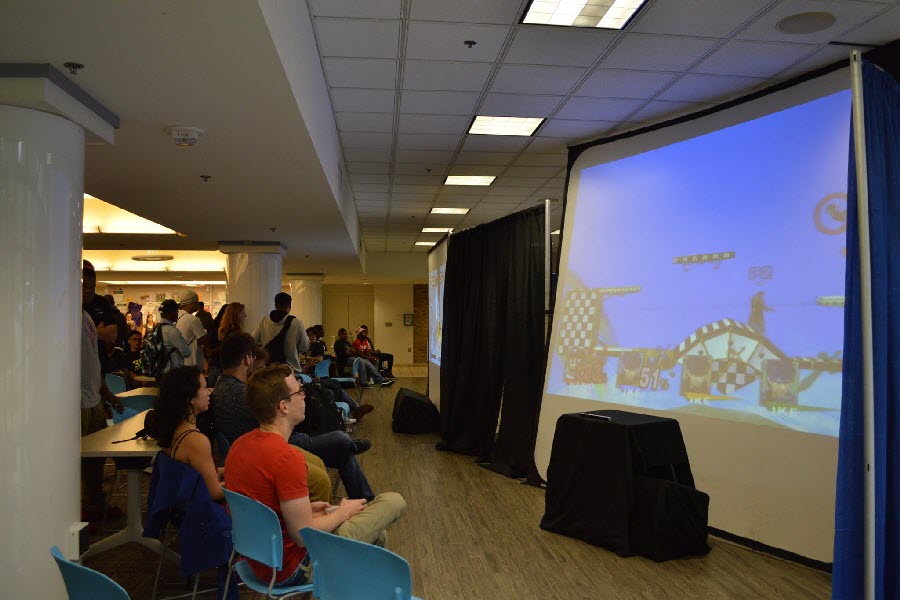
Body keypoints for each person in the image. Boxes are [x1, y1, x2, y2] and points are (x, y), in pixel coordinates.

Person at [225, 364, 406, 587]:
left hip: (259, 560)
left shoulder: (239, 446)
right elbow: (302, 535)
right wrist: (343, 512)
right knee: (394, 502)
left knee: (377, 534)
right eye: (298, 391)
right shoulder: (286, 458)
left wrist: (309, 510)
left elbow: (263, 507)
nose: (304, 395)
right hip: (294, 567)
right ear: (283, 406)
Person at [215, 334, 376, 501]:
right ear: (248, 359)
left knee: (343, 451)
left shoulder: (225, 386)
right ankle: (363, 496)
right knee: (341, 441)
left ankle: (364, 498)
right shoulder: (242, 393)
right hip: (274, 446)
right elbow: (280, 415)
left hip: (266, 444)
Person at [152, 366, 237, 600]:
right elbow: (213, 492)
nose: (209, 391)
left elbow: (198, 474)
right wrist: (241, 485)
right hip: (202, 515)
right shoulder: (196, 439)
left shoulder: (175, 432)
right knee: (263, 501)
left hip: (181, 510)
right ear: (190, 399)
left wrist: (227, 472)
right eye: (203, 387)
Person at [80, 299, 124, 522]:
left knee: (96, 459)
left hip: (93, 399)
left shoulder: (86, 318)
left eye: (91, 284)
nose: (87, 290)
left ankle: (94, 505)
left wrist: (106, 395)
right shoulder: (63, 321)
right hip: (76, 403)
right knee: (77, 459)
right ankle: (80, 510)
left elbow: (94, 363)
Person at [252, 292, 308, 373]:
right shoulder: (297, 323)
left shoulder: (264, 321)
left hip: (270, 369)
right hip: (290, 370)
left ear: (275, 305)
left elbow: (254, 340)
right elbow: (304, 347)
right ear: (290, 306)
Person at [157, 299, 192, 374]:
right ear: (170, 313)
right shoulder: (172, 331)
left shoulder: (156, 329)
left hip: (158, 371)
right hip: (172, 372)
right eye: (176, 311)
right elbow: (186, 352)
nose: (178, 313)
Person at [176, 290, 207, 368]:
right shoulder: (193, 319)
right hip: (191, 363)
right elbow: (203, 339)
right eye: (196, 302)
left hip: (179, 362)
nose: (198, 304)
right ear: (191, 304)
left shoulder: (176, 317)